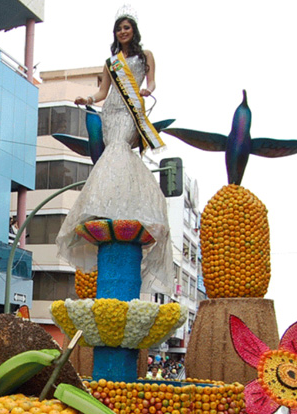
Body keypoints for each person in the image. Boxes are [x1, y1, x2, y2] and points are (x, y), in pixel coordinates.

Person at [56, 12, 172, 293]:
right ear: (115, 33)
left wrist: (147, 91)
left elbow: (153, 82)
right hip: (111, 112)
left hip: (132, 113)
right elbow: (103, 93)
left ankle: (121, 204)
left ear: (134, 31)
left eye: (127, 27)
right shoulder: (111, 64)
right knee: (113, 155)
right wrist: (88, 98)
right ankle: (112, 204)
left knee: (119, 149)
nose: (123, 32)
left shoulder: (146, 55)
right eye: (119, 28)